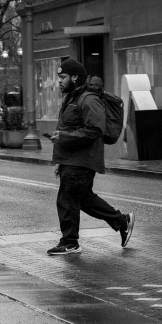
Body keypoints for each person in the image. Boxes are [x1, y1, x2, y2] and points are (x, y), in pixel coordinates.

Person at [47, 57, 134, 256]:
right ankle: (122, 221)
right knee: (83, 199)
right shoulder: (72, 97)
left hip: (83, 159)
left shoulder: (88, 99)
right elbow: (69, 128)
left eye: (63, 77)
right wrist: (61, 161)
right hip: (72, 158)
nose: (59, 81)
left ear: (75, 78)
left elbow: (95, 130)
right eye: (59, 77)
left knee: (67, 199)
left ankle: (70, 242)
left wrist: (65, 137)